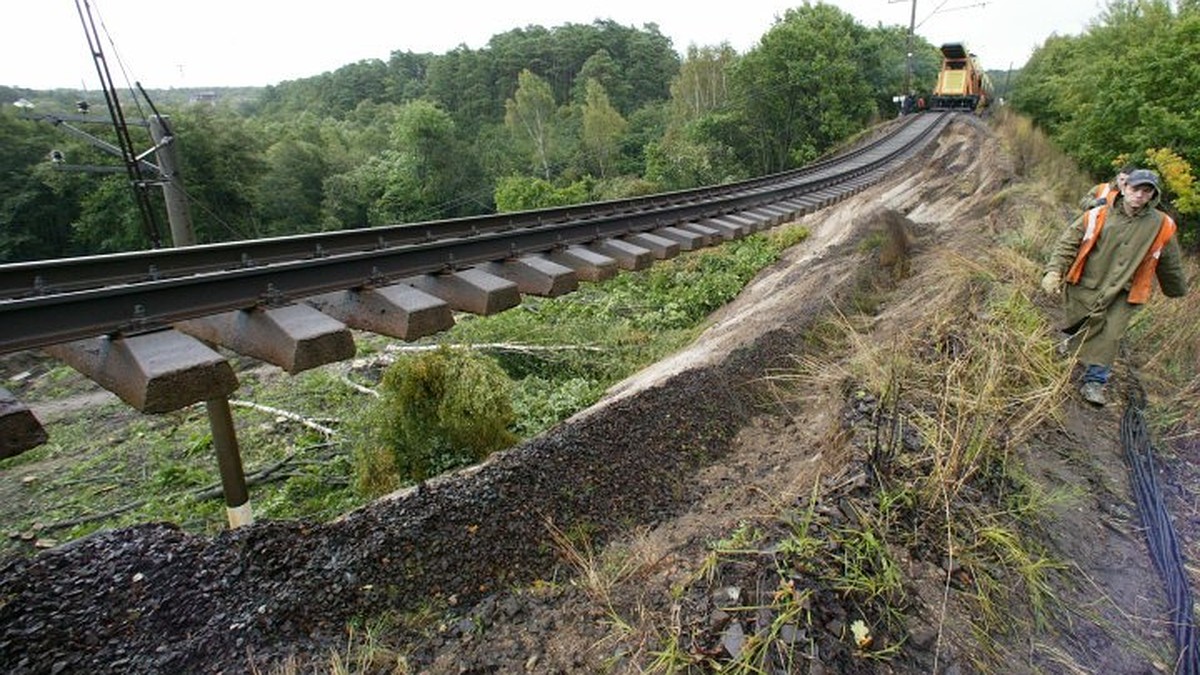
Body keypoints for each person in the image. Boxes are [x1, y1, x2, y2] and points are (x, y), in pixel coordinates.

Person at [1041, 169, 1188, 406]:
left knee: (1110, 336)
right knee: (1079, 324)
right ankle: (1070, 347)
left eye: (1146, 191)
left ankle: (1094, 382)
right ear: (1125, 187)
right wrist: (1053, 271)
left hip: (1124, 293)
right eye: (1135, 188)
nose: (1140, 195)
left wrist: (1176, 289)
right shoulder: (1097, 214)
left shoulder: (1162, 225)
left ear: (1153, 195)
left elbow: (1170, 261)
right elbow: (1068, 243)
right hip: (1086, 285)